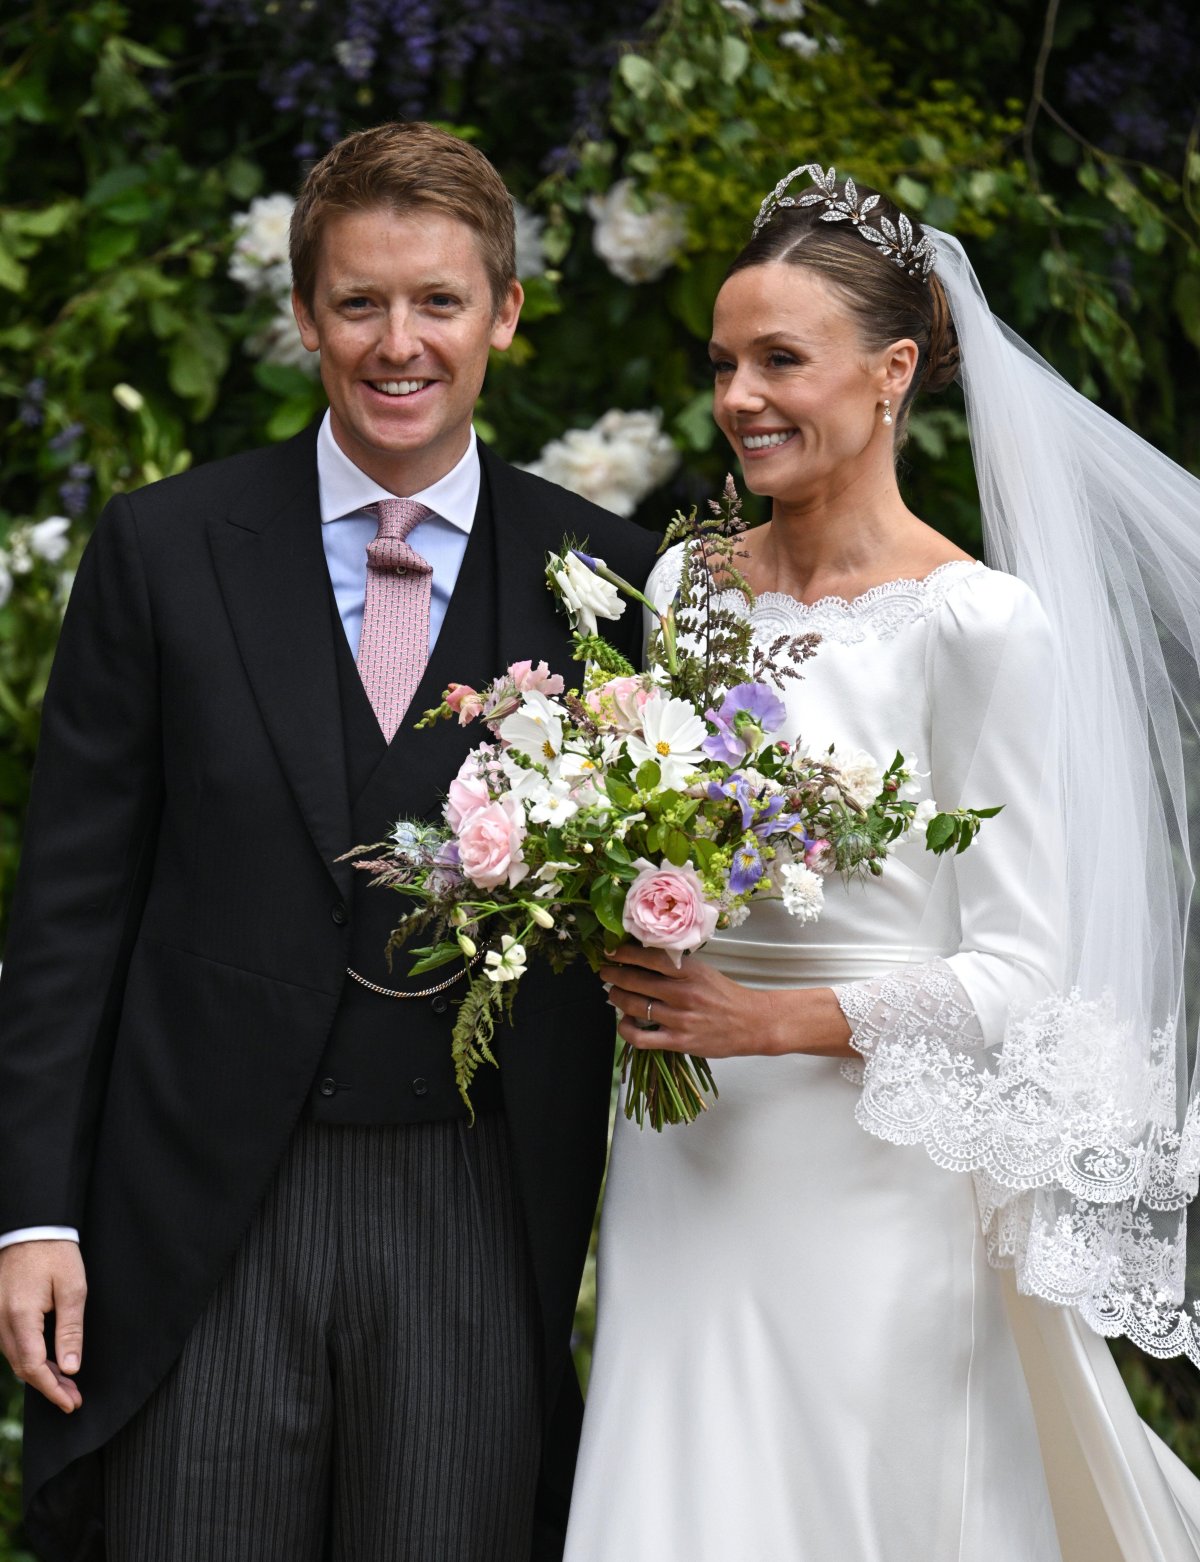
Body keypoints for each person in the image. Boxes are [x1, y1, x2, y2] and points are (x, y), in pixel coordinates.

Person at [0, 121, 657, 1562]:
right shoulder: (164, 550)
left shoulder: (610, 583)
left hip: (477, 1206)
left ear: (506, 315)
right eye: (359, 302)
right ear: (305, 316)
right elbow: (68, 912)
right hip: (205, 1204)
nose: (398, 342)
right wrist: (33, 1215)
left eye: (436, 301)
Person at [562, 164, 1200, 1561]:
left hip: (873, 1160)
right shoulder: (686, 590)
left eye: (780, 359)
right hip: (686, 1140)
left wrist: (773, 1020)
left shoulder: (978, 625)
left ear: (892, 370)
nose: (740, 397)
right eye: (725, 362)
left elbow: (1026, 971)